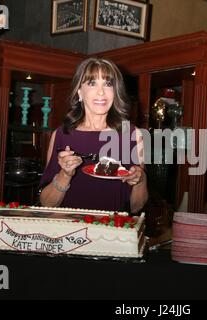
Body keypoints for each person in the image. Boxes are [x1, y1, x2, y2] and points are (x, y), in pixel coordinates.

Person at [39, 57, 148, 213]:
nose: (101, 92)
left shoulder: (132, 135)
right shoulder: (62, 135)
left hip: (113, 231)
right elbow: (46, 203)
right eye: (92, 83)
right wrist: (65, 174)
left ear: (115, 93)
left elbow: (137, 206)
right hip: (71, 231)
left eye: (108, 84)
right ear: (79, 93)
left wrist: (140, 179)